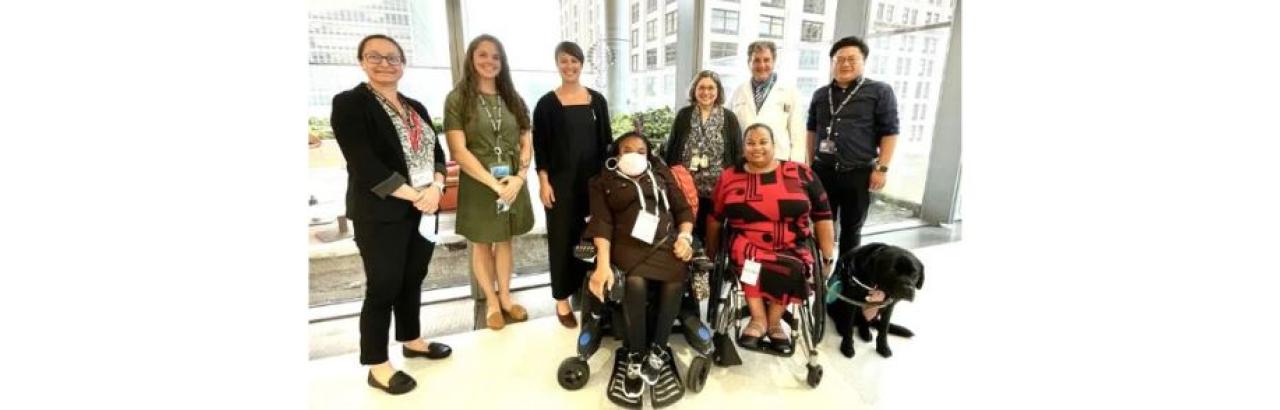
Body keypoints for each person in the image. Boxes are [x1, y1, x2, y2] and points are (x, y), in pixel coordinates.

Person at [330, 34, 453, 395]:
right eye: (375, 57)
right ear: (361, 61)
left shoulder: (414, 105)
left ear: (403, 63)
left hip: (424, 207)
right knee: (383, 286)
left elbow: (436, 151)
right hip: (381, 212)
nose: (385, 63)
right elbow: (363, 162)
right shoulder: (350, 103)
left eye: (392, 57)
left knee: (413, 276)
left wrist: (436, 186)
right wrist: (415, 195)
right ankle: (377, 364)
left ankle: (412, 339)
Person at [586, 132, 695, 408]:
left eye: (641, 150)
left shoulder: (660, 174)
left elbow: (683, 210)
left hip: (665, 241)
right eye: (627, 149)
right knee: (634, 283)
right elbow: (601, 223)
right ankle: (635, 356)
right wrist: (601, 264)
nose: (634, 154)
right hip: (626, 244)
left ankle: (658, 351)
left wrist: (685, 238)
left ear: (649, 154)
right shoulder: (602, 182)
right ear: (616, 153)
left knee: (675, 278)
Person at [706, 124, 836, 355]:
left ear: (774, 145)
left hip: (792, 243)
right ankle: (758, 319)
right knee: (748, 256)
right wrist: (711, 253)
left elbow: (823, 214)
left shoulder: (800, 172)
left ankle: (774, 322)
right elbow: (715, 217)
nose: (757, 148)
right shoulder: (730, 176)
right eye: (751, 143)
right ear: (743, 147)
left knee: (791, 265)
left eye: (763, 142)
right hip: (747, 241)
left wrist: (827, 256)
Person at [444, 34, 535, 331]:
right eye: (483, 55)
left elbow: (526, 138)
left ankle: (507, 298)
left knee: (505, 239)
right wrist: (494, 185)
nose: (489, 61)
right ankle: (492, 303)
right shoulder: (457, 98)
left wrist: (520, 178)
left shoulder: (513, 97)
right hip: (479, 181)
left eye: (496, 56)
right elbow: (458, 150)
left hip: (510, 179)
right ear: (471, 58)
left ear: (502, 62)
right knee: (482, 243)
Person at [532, 41, 613, 328]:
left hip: (592, 184)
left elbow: (607, 145)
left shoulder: (597, 101)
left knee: (588, 238)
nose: (570, 67)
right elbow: (540, 149)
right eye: (564, 61)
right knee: (562, 238)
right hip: (561, 185)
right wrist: (543, 182)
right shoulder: (546, 104)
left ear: (582, 64)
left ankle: (587, 289)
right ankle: (561, 300)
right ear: (557, 64)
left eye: (574, 61)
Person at [806, 35, 899, 257]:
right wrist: (810, 165)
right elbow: (811, 130)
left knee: (851, 228)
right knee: (821, 223)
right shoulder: (820, 94)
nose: (845, 64)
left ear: (863, 62)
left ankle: (846, 274)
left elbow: (890, 132)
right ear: (832, 63)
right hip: (823, 172)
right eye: (839, 59)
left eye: (852, 59)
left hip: (858, 172)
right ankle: (821, 270)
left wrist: (882, 168)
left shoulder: (879, 92)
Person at [662, 70, 743, 242]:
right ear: (694, 90)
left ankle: (710, 260)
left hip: (717, 187)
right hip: (686, 186)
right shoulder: (684, 115)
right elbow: (672, 148)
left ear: (718, 91)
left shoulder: (729, 118)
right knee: (687, 228)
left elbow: (737, 152)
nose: (706, 92)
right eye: (701, 88)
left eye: (711, 88)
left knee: (712, 231)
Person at [729, 41, 807, 164]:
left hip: (779, 160)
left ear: (774, 62)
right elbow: (730, 130)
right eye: (756, 60)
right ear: (749, 63)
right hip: (745, 160)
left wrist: (796, 165)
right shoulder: (738, 92)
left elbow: (797, 134)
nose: (762, 65)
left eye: (766, 60)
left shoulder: (790, 91)